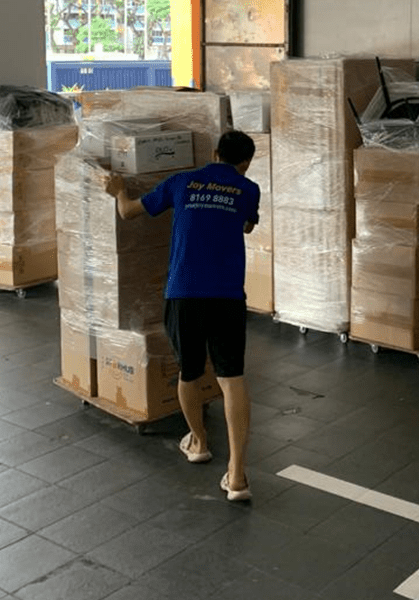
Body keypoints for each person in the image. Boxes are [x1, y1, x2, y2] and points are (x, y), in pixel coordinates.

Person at [106, 130, 259, 502]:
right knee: (231, 378)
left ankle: (198, 442)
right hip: (226, 295)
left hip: (185, 293)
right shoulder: (248, 188)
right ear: (245, 163)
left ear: (214, 153)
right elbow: (247, 225)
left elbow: (128, 212)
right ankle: (237, 475)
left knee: (189, 372)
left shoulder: (182, 181)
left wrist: (117, 190)